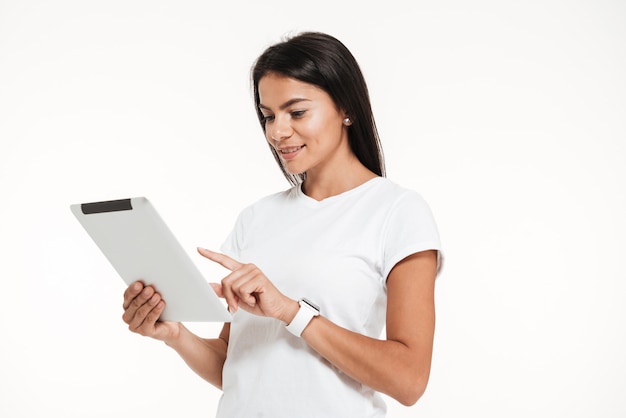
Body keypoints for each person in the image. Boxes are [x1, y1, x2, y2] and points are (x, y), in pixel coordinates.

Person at [122, 31, 443, 417]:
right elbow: (236, 366)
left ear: (346, 108)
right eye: (268, 116)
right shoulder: (256, 218)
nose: (277, 132)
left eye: (297, 112)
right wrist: (174, 334)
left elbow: (408, 381)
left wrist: (291, 311)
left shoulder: (397, 211)